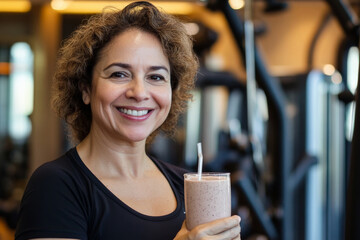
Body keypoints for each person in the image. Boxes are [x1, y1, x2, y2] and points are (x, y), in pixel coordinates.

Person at [15, 1, 241, 239]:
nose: (139, 92)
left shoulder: (184, 184)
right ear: (85, 89)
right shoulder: (56, 185)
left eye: (155, 76)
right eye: (119, 74)